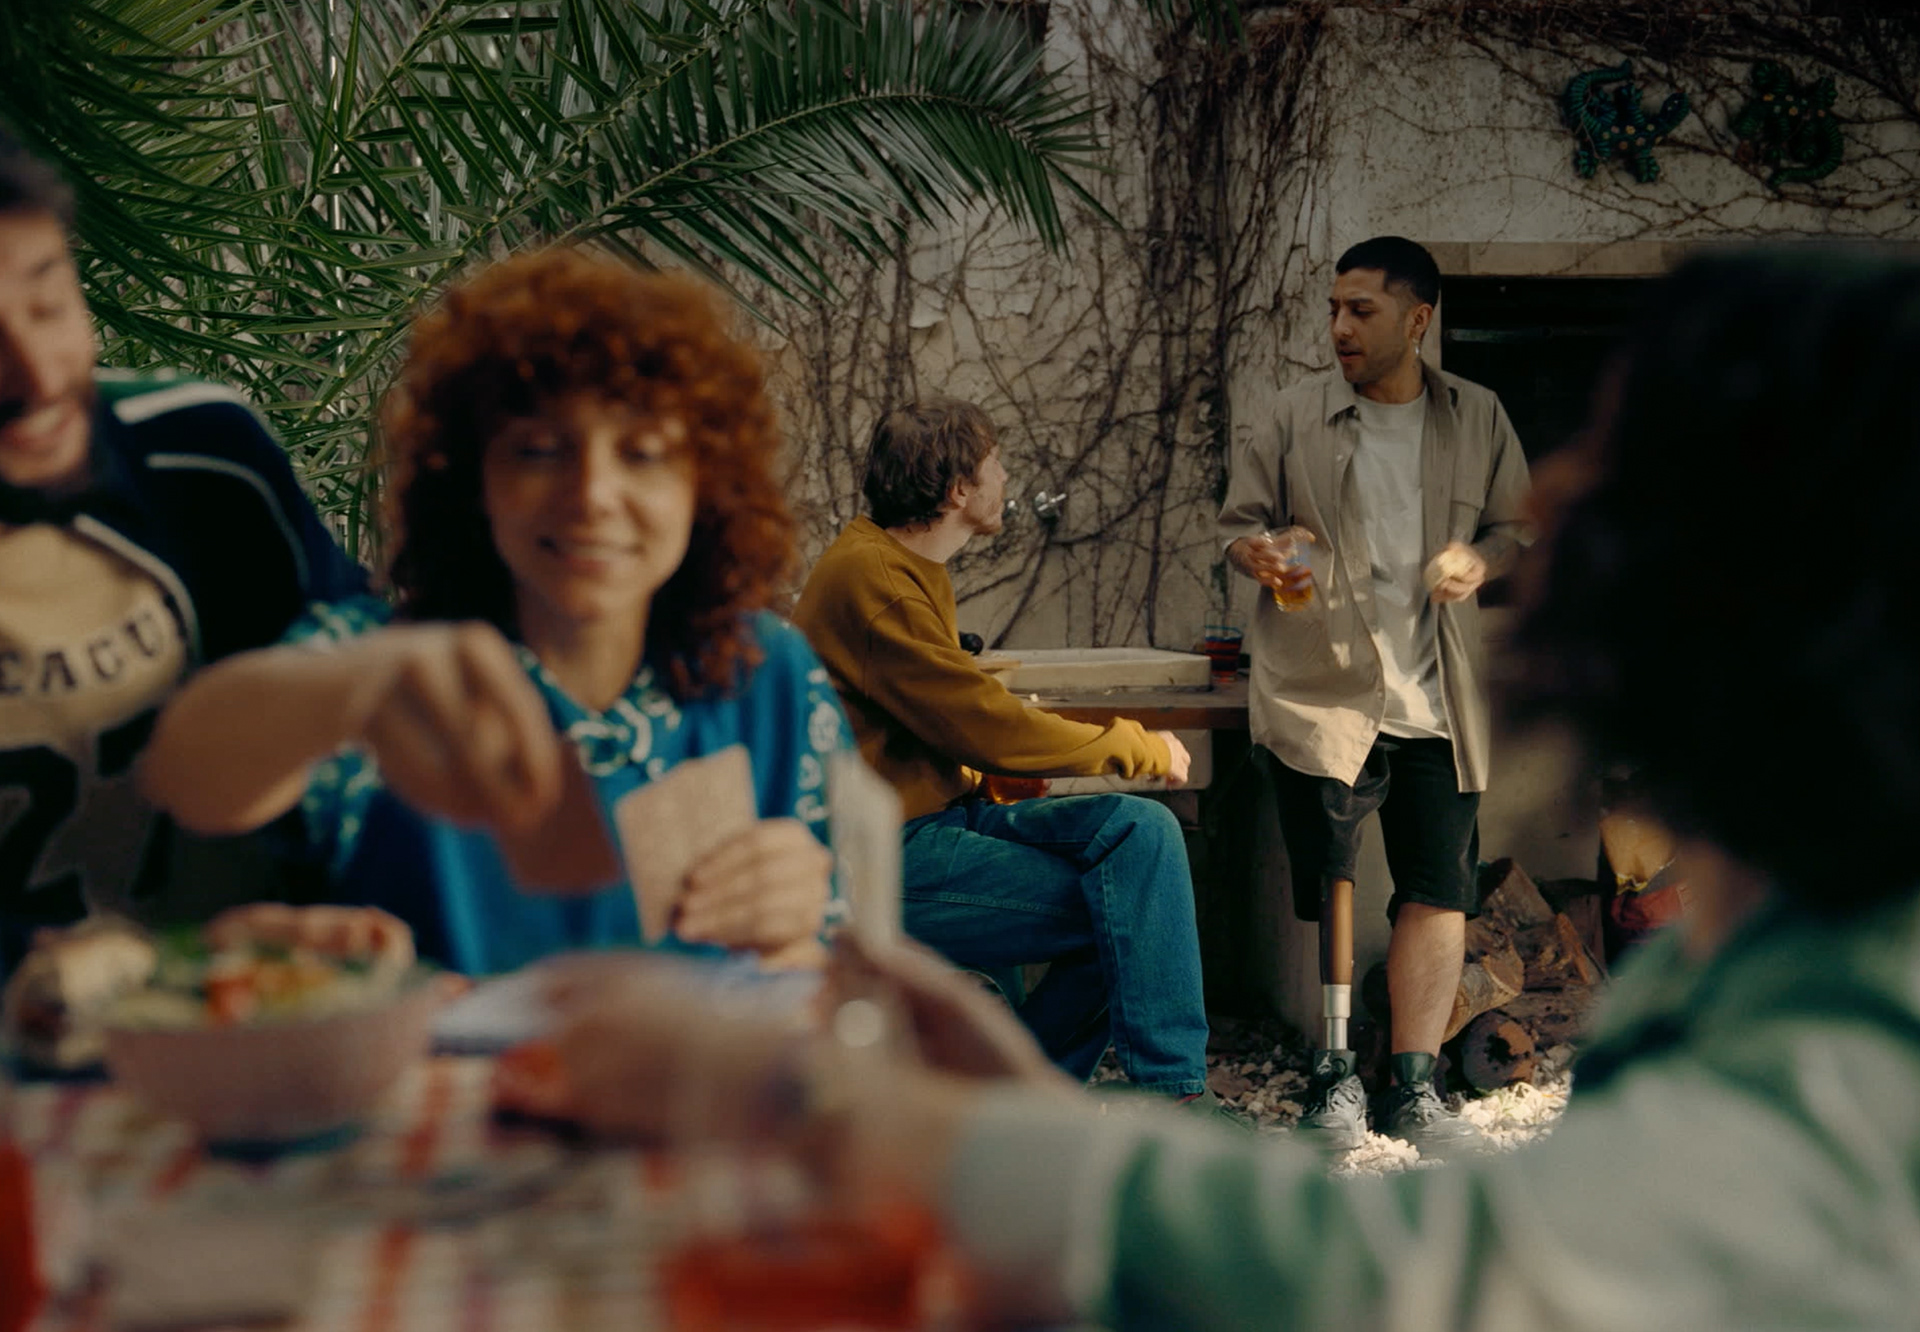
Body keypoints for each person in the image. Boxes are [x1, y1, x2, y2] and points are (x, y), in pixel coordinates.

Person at [543, 243, 1920, 1330]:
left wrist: (851, 1113)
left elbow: (1423, 1278)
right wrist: (1002, 1114)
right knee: (1148, 856)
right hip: (1029, 814)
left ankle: (1207, 1083)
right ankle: (1197, 1078)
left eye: (1603, 481)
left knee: (1145, 847)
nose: (1552, 513)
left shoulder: (1853, 1060)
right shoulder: (1756, 968)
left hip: (937, 867)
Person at [139, 250, 853, 976]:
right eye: (538, 451)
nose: (592, 495)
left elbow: (848, 963)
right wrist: (354, 687)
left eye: (642, 454)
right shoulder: (382, 658)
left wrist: (795, 936)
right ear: (473, 479)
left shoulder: (772, 674)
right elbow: (185, 773)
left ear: (706, 485)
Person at [0, 126, 364, 974]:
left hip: (267, 1002)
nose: (37, 376)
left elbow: (344, 653)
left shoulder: (205, 457)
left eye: (49, 307)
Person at [791, 399, 1212, 1101]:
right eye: (995, 463)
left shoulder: (898, 566)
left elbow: (930, 712)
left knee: (1141, 833)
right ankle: (1160, 1099)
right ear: (959, 489)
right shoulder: (875, 580)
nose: (1006, 476)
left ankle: (1024, 1103)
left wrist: (978, 770)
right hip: (880, 854)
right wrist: (1132, 744)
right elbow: (982, 719)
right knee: (1130, 915)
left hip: (938, 821)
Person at [1218, 236, 1531, 1154]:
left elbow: (1516, 527)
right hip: (1325, 693)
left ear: (1417, 319)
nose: (1340, 327)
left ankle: (1414, 1085)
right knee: (1335, 879)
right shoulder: (1293, 414)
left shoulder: (1478, 415)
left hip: (1440, 699)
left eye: (1361, 309)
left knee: (1440, 890)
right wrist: (1259, 553)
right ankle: (1333, 1077)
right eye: (1334, 309)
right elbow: (1239, 525)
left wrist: (1481, 560)